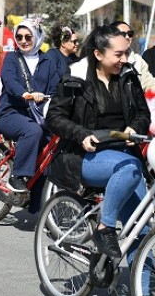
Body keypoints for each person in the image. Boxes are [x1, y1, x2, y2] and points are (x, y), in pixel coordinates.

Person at [46, 24, 150, 265]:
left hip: (125, 156)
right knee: (130, 168)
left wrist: (135, 127)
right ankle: (105, 228)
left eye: (126, 53)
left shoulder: (129, 76)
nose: (124, 59)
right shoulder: (76, 77)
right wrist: (81, 134)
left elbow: (143, 114)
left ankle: (139, 283)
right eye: (118, 54)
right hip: (82, 155)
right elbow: (54, 118)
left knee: (140, 228)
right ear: (98, 54)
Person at [0, 18, 60, 193]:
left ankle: (38, 200)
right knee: (33, 131)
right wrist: (24, 94)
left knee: (53, 143)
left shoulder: (47, 61)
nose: (23, 41)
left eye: (28, 37)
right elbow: (9, 80)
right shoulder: (12, 58)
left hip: (38, 114)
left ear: (37, 37)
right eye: (19, 37)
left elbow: (55, 88)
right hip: (11, 113)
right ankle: (17, 176)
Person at [111, 21, 155, 91]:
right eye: (122, 34)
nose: (127, 37)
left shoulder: (138, 61)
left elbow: (149, 84)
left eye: (130, 34)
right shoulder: (104, 60)